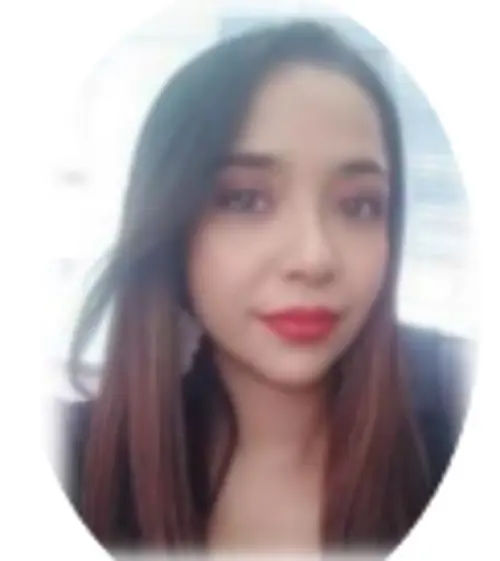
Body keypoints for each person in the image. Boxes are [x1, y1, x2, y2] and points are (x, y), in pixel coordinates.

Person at [59, 19, 469, 555]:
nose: (314, 258)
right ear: (171, 224)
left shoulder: (459, 413)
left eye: (359, 205)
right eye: (246, 200)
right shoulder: (69, 466)